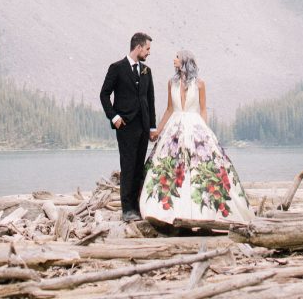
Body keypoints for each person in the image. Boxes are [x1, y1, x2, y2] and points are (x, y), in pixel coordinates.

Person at [140, 49, 252, 226]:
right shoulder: (172, 83)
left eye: (177, 57)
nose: (174, 59)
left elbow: (203, 109)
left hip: (195, 126)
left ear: (185, 61)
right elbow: (169, 109)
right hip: (174, 128)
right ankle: (166, 208)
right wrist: (158, 130)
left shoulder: (200, 84)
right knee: (169, 166)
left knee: (200, 167)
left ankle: (207, 211)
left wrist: (206, 132)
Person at [100, 32, 157, 221]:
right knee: (128, 166)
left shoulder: (147, 71)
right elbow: (104, 95)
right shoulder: (116, 68)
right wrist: (113, 116)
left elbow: (150, 99)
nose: (149, 53)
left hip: (143, 126)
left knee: (140, 167)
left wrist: (152, 127)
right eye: (147, 49)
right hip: (125, 126)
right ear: (138, 47)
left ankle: (138, 207)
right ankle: (127, 210)